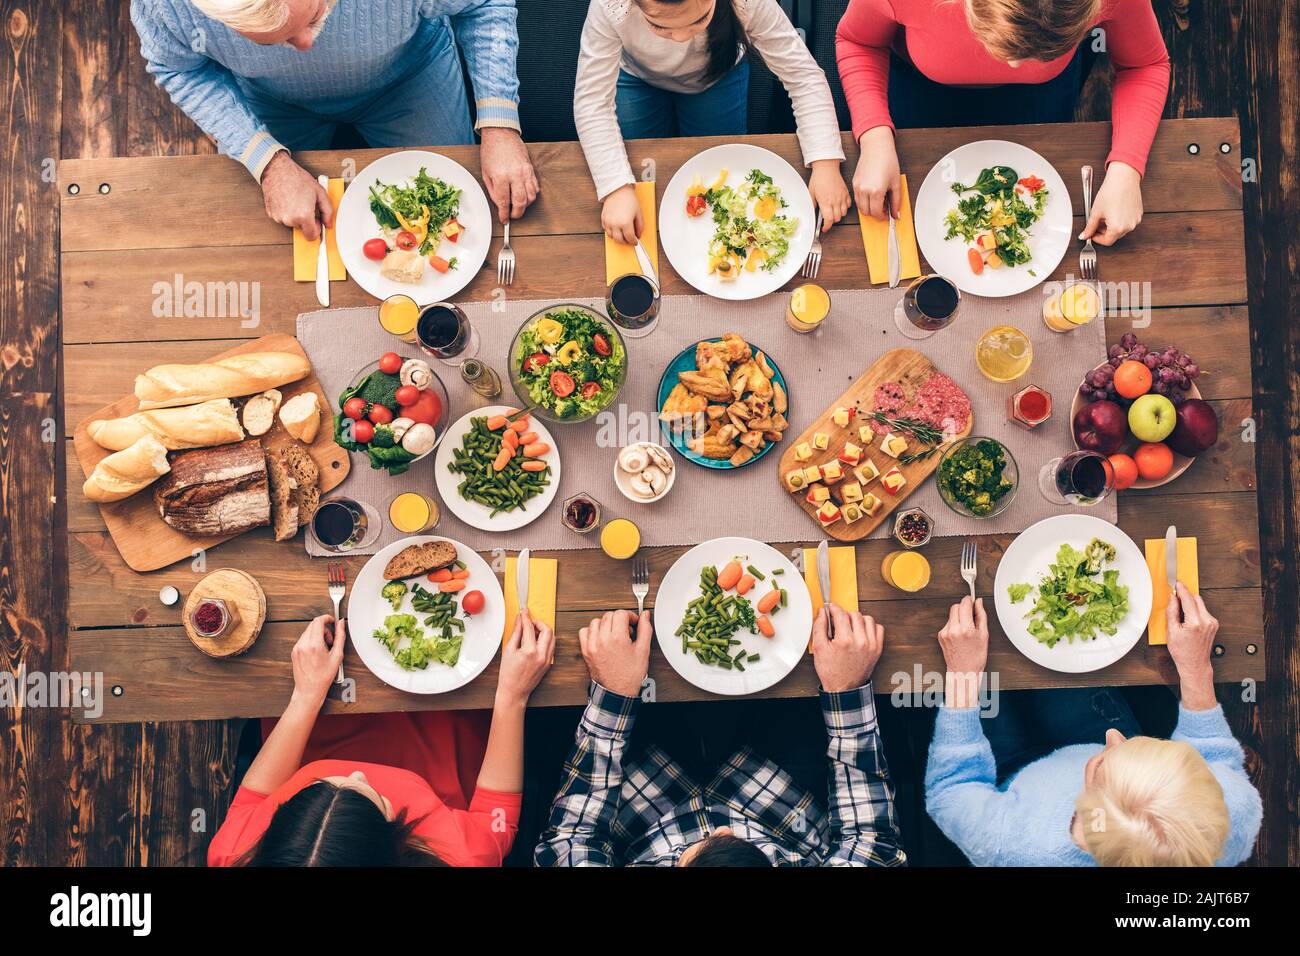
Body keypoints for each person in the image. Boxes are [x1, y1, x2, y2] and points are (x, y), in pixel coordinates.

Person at [130, 0, 541, 236]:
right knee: (276, 238)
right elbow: (178, 68)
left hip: (410, 76)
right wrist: (268, 163)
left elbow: (485, 4)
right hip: (271, 99)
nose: (307, 45)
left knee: (457, 207)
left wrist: (500, 123)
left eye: (314, 16)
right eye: (282, 40)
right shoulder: (165, 7)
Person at [535, 606, 906, 866]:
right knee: (796, 671)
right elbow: (871, 841)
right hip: (781, 808)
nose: (723, 828)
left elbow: (571, 841)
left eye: (705, 845)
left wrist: (613, 694)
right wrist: (847, 691)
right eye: (732, 839)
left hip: (648, 812)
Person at [925, 589, 1263, 866]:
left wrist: (962, 676)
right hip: (1075, 740)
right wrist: (1195, 668)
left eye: (1105, 764)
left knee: (982, 662)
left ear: (1085, 825)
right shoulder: (1229, 814)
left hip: (1004, 773)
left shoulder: (1013, 847)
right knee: (1057, 642)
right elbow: (1213, 753)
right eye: (1145, 748)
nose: (1113, 737)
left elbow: (951, 790)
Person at [207, 610, 554, 866]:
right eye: (369, 792)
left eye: (321, 786)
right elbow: (497, 819)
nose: (358, 774)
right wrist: (513, 694)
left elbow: (252, 801)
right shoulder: (461, 857)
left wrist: (306, 695)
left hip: (313, 734)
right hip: (441, 749)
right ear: (398, 842)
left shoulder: (233, 856)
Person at [836, 0, 1171, 246]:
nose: (1013, 65)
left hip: (1041, 96)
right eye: (998, 45)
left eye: (1038, 55)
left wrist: (1127, 168)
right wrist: (875, 137)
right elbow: (858, 41)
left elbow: (1145, 65)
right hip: (918, 85)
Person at [574, 0, 851, 244]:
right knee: (644, 173)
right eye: (659, 26)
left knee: (721, 179)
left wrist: (825, 162)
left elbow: (802, 76)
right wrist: (615, 188)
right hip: (636, 77)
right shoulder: (609, 5)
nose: (681, 38)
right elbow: (592, 101)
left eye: (698, 20)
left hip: (717, 75)